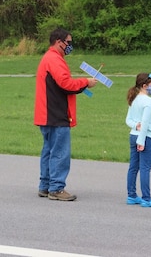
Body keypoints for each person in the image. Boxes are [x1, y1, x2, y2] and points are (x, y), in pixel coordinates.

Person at [34, 27, 97, 201]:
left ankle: (45, 186)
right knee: (60, 152)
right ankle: (56, 188)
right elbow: (65, 83)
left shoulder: (50, 58)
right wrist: (86, 82)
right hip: (56, 114)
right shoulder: (54, 59)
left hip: (47, 114)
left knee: (49, 150)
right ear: (58, 42)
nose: (70, 45)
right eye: (68, 42)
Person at [125, 73, 151, 207]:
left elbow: (128, 120)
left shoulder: (134, 99)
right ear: (144, 86)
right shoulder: (148, 102)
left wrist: (135, 126)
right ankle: (146, 198)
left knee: (133, 167)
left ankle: (132, 195)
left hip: (133, 136)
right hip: (145, 137)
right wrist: (141, 141)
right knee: (145, 168)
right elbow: (145, 123)